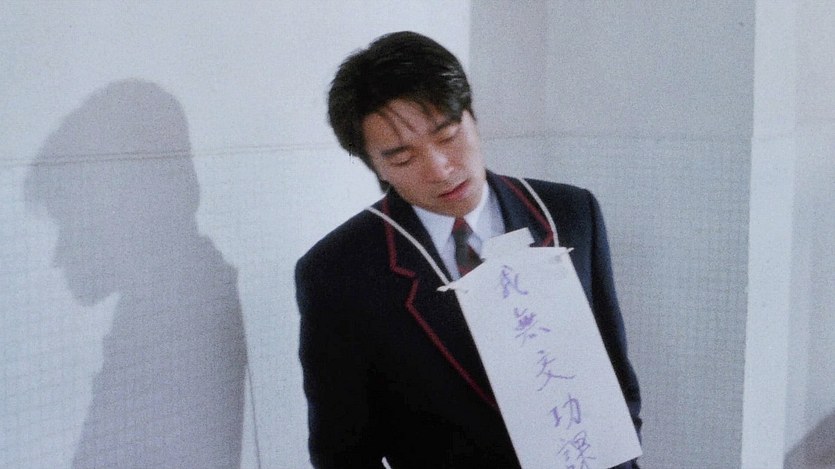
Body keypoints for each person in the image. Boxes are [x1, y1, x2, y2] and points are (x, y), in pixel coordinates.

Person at [296, 31, 641, 468]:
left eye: (448, 135)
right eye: (403, 158)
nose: (440, 169)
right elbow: (342, 454)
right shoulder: (338, 271)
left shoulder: (569, 211)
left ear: (472, 115)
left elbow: (614, 378)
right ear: (375, 166)